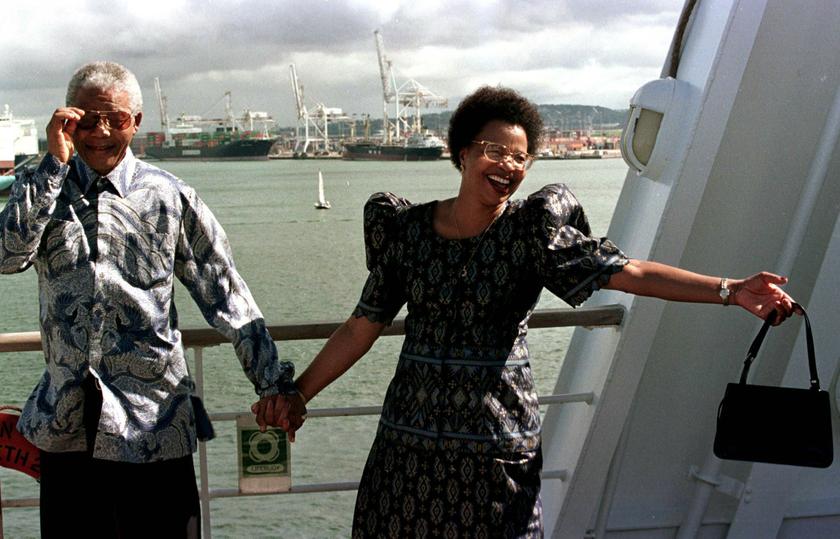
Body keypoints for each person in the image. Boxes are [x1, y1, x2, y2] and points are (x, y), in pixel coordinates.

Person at [255, 86, 798, 538]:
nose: (509, 166)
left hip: (494, 450)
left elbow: (629, 272)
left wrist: (730, 290)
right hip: (407, 449)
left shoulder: (530, 234)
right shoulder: (407, 232)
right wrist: (300, 394)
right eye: (495, 150)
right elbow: (361, 327)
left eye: (520, 157)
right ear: (462, 152)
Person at [0, 61, 304, 538]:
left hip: (154, 426)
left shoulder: (169, 197)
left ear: (137, 122)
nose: (100, 132)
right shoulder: (42, 191)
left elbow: (223, 291)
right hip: (68, 428)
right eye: (87, 119)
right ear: (66, 121)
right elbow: (7, 256)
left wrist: (273, 385)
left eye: (115, 119)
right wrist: (52, 166)